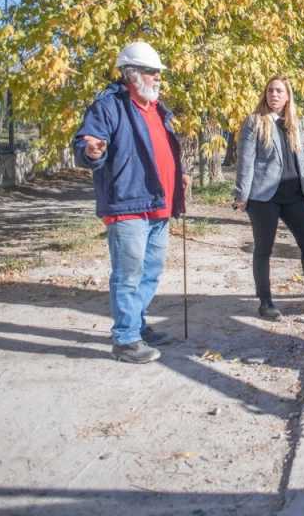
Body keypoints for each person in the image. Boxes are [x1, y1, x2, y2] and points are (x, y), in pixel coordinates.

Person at [73, 41, 189, 364]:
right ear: (132, 74)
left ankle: (135, 325)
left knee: (151, 270)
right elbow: (87, 143)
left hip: (159, 204)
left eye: (158, 73)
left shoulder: (157, 108)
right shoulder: (109, 105)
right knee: (128, 274)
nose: (158, 78)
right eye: (152, 72)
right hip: (128, 205)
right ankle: (125, 339)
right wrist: (92, 151)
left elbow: (160, 153)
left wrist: (177, 176)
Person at [233, 76, 304, 320]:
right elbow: (246, 161)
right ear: (265, 94)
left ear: (287, 97)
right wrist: (241, 195)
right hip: (264, 197)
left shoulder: (291, 123)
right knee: (264, 248)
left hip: (293, 195)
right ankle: (265, 302)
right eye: (270, 90)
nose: (274, 94)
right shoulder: (255, 122)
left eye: (279, 91)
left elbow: (300, 159)